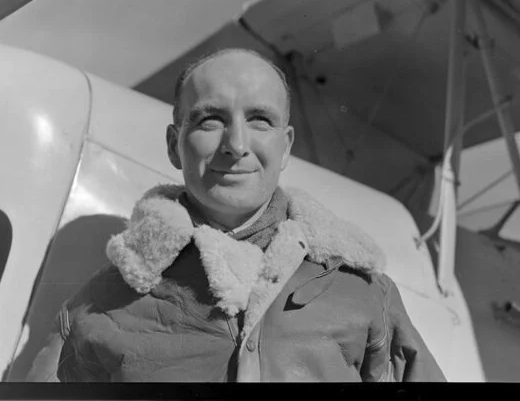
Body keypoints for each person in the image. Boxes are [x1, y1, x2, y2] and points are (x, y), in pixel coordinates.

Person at [28, 48, 446, 382]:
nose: (236, 144)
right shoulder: (100, 305)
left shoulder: (365, 292)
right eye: (211, 120)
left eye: (260, 120)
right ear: (175, 145)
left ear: (285, 146)